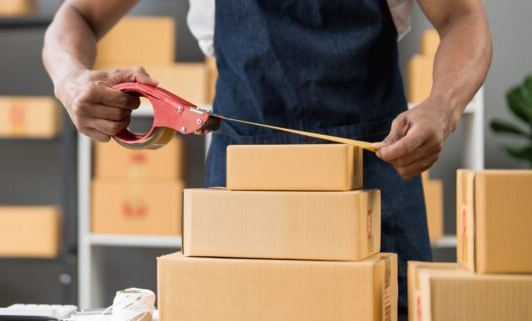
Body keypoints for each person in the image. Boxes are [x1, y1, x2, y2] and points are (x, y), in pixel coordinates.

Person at [42, 0, 491, 318]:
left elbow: (462, 16)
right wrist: (71, 80)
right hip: (244, 180)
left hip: (375, 170)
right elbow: (76, 15)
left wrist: (443, 107)